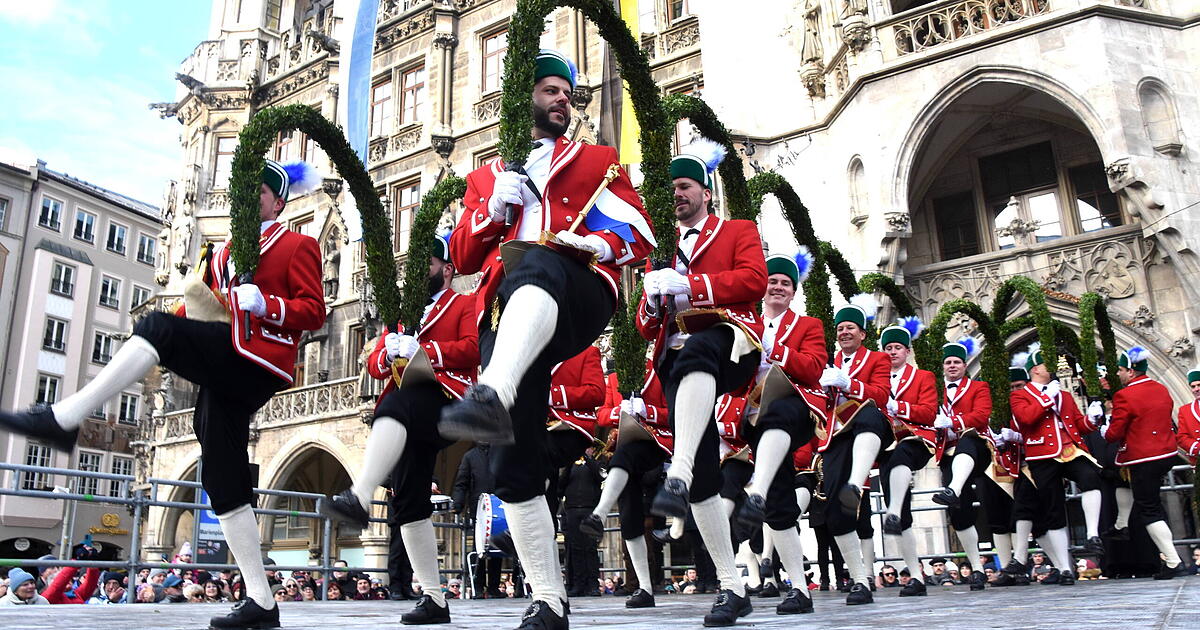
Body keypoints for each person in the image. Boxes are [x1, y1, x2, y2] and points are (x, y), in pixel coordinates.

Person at [0, 159, 325, 628]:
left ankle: (64, 418)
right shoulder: (220, 253)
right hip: (224, 361)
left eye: (257, 191)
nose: (246, 197)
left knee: (157, 328)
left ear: (278, 201)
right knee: (221, 474)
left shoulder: (298, 244)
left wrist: (267, 304)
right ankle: (262, 601)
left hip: (258, 359)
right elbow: (199, 306)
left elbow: (314, 311)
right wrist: (165, 330)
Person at [442, 50, 654, 629]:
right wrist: (493, 209)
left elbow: (639, 229)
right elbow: (462, 256)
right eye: (551, 90)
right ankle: (548, 599)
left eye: (567, 91)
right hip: (506, 312)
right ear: (524, 98)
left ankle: (490, 391)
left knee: (538, 260)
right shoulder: (485, 177)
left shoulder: (596, 159)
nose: (564, 99)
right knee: (512, 463)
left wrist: (597, 244)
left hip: (577, 289)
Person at [639, 138, 766, 627]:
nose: (677, 194)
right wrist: (652, 300)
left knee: (697, 352)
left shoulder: (737, 230)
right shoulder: (661, 248)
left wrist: (693, 286)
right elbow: (645, 327)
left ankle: (678, 469)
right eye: (671, 188)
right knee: (705, 480)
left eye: (685, 186)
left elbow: (753, 280)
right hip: (676, 358)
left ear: (706, 192)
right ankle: (732, 587)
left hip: (729, 339)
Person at [320, 234, 477, 624]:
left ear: (447, 269)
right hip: (410, 412)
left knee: (393, 404)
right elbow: (374, 363)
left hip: (446, 399)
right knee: (409, 501)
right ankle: (434, 598)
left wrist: (426, 352)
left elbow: (473, 348)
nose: (420, 271)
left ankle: (359, 495)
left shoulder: (463, 303)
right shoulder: (406, 314)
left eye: (428, 264)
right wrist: (386, 352)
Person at [733, 250, 824, 615]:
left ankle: (756, 490)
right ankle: (800, 590)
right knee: (780, 505)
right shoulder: (746, 324)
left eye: (786, 283)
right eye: (773, 281)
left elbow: (814, 368)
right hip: (757, 417)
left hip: (795, 407)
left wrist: (777, 350)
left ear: (793, 291)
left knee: (781, 413)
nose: (779, 287)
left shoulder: (808, 326)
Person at [814, 296, 892, 605]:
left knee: (870, 413)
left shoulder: (877, 359)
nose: (844, 332)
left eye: (850, 328)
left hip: (866, 425)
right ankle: (859, 580)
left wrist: (848, 384)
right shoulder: (826, 360)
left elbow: (881, 395)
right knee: (836, 512)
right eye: (840, 328)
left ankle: (856, 484)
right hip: (835, 436)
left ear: (862, 333)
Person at [579, 362, 672, 609]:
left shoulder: (659, 370)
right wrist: (618, 412)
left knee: (624, 460)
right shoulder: (614, 379)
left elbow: (672, 411)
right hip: (625, 447)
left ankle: (599, 514)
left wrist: (648, 412)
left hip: (656, 445)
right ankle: (644, 587)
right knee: (629, 514)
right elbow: (602, 415)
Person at [1010, 343, 1102, 585]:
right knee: (1054, 509)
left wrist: (1092, 419)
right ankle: (1065, 568)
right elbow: (1026, 418)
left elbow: (1077, 425)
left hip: (1069, 450)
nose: (1051, 367)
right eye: (1046, 363)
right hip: (1042, 454)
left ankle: (1092, 534)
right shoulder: (1019, 395)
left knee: (1090, 476)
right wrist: (1046, 398)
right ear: (1035, 369)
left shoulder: (1064, 395)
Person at [1100, 347, 1188, 579]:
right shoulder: (1161, 388)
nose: (1118, 374)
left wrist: (1104, 430)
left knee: (1149, 510)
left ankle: (1173, 562)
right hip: (1165, 454)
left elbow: (1115, 432)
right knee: (1124, 480)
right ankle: (1121, 525)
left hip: (1143, 457)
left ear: (1131, 371)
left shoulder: (1125, 395)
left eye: (1120, 370)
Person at [875, 319, 937, 597]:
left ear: (907, 351)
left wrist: (897, 406)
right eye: (888, 348)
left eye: (897, 347)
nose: (892, 352)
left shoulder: (923, 377)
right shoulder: (877, 378)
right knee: (903, 516)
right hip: (888, 445)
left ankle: (892, 511)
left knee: (902, 457)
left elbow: (928, 413)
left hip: (917, 439)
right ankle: (915, 576)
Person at [930, 340, 993, 592]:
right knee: (959, 513)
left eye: (957, 362)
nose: (952, 366)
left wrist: (953, 422)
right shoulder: (935, 390)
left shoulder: (979, 387)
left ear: (965, 366)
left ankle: (953, 490)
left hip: (977, 447)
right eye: (948, 362)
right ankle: (977, 568)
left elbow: (981, 416)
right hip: (948, 453)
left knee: (966, 440)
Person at [560, 446, 604, 598]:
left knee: (590, 548)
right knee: (576, 549)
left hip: (590, 509)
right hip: (572, 510)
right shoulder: (571, 465)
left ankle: (593, 585)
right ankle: (578, 584)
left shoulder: (596, 463)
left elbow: (600, 477)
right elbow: (561, 485)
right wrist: (569, 463)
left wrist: (589, 459)